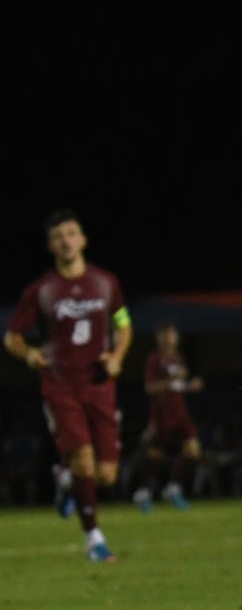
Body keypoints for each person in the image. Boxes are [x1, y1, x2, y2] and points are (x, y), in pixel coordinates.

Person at [4, 209, 133, 562]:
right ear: (50, 245)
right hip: (61, 386)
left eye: (72, 233)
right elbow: (12, 337)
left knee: (106, 474)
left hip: (100, 385)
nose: (66, 240)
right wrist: (29, 354)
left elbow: (124, 324)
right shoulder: (41, 290)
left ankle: (65, 482)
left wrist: (118, 356)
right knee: (85, 462)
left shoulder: (106, 282)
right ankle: (94, 539)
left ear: (83, 239)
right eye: (59, 236)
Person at [132, 319, 204, 511]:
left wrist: (189, 386)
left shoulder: (178, 358)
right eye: (167, 335)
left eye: (173, 335)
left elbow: (175, 387)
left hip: (180, 413)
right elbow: (150, 388)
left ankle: (173, 487)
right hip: (163, 414)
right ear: (160, 338)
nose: (171, 339)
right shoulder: (154, 360)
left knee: (193, 450)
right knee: (156, 456)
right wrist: (173, 378)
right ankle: (142, 492)